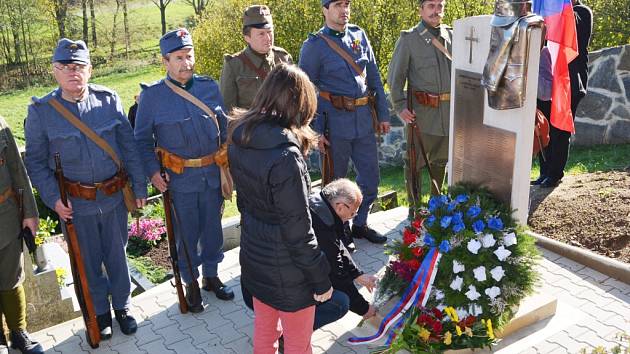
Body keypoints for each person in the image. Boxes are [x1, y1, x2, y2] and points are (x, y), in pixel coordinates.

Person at [24, 39, 147, 339]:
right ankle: (100, 314)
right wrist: (53, 199)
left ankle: (123, 306)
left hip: (114, 196)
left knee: (118, 255)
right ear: (54, 71)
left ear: (89, 70)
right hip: (76, 204)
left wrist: (139, 183)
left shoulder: (108, 100)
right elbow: (37, 164)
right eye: (64, 67)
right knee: (88, 262)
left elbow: (129, 146)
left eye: (78, 66)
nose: (72, 72)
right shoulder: (42, 112)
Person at [228, 63, 333, 354]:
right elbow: (298, 229)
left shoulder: (239, 136)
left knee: (264, 333)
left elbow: (246, 203)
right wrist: (319, 278)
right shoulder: (286, 157)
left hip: (255, 257)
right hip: (289, 271)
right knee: (299, 344)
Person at [134, 28, 234, 313]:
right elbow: (141, 140)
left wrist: (227, 159)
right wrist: (154, 173)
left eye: (189, 55)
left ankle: (212, 276)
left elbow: (224, 128)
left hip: (212, 173)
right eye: (178, 57)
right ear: (165, 61)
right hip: (180, 179)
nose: (186, 63)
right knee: (186, 234)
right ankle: (190, 282)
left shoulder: (209, 87)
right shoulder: (153, 97)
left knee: (213, 230)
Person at [299, 0, 390, 247]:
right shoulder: (314, 46)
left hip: (362, 121)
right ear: (325, 9)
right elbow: (306, 92)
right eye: (338, 4)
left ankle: (360, 223)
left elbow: (374, 79)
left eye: (347, 4)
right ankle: (339, 233)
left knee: (371, 179)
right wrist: (314, 131)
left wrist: (383, 114)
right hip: (333, 124)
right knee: (335, 184)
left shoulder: (359, 35)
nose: (344, 10)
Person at [387, 0, 452, 209]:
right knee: (414, 163)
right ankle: (414, 208)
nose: (436, 11)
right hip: (422, 114)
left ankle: (437, 205)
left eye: (440, 6)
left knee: (441, 161)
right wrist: (399, 105)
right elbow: (395, 77)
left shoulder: (452, 36)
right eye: (431, 6)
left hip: (448, 113)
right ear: (421, 10)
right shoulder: (409, 39)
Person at [533, 0, 593, 188]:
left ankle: (555, 173)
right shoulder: (545, 11)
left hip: (569, 83)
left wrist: (556, 7)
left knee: (560, 130)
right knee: (545, 128)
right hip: (546, 81)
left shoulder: (582, 12)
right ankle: (544, 172)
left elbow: (570, 30)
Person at [0, 116, 43, 354]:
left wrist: (29, 212)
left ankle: (18, 333)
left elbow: (17, 168)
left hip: (4, 216)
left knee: (11, 276)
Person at [310, 178, 377, 321]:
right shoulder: (322, 226)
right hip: (280, 290)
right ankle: (292, 334)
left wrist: (357, 275)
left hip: (261, 281)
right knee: (340, 303)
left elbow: (337, 246)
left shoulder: (320, 207)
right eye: (353, 213)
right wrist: (364, 309)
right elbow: (336, 274)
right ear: (340, 206)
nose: (352, 217)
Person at [220, 4, 293, 113]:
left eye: (270, 32)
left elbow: (294, 101)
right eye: (261, 34)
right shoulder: (234, 65)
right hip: (251, 127)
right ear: (247, 37)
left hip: (281, 126)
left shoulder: (283, 58)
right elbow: (228, 110)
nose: (268, 38)